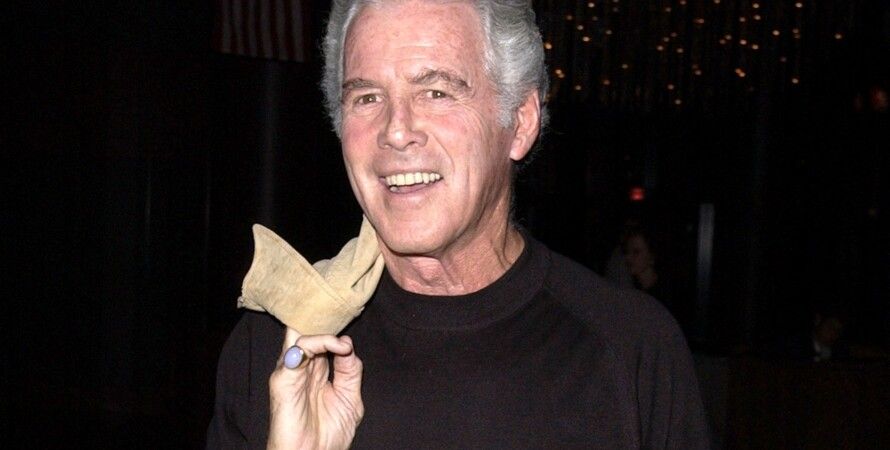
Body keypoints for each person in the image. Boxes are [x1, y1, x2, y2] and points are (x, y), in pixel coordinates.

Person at [206, 1, 709, 448]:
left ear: (520, 122)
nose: (396, 130)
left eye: (436, 92)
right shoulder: (278, 349)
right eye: (367, 97)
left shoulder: (630, 350)